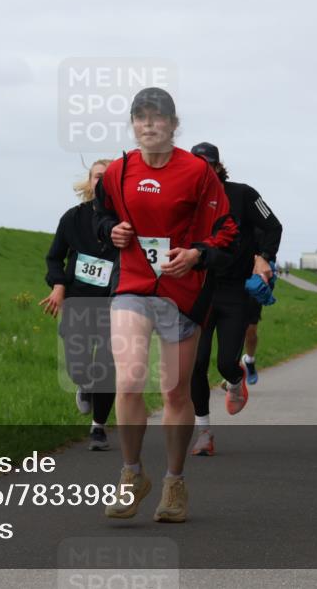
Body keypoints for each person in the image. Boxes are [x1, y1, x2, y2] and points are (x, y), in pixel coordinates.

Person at [93, 87, 238, 523]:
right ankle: (131, 474)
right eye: (141, 117)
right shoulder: (118, 171)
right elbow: (99, 216)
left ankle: (174, 482)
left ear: (174, 125)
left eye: (158, 117)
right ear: (133, 124)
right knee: (130, 375)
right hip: (133, 285)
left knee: (174, 389)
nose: (149, 124)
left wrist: (197, 255)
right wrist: (110, 232)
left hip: (183, 291)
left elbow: (226, 232)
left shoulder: (197, 173)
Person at [188, 142, 283, 457]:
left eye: (208, 164)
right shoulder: (183, 200)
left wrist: (263, 257)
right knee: (196, 364)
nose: (203, 170)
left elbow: (273, 225)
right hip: (198, 290)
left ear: (217, 167)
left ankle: (235, 376)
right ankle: (204, 433)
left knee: (226, 361)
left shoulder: (243, 194)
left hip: (234, 291)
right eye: (196, 164)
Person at [41, 159, 117, 450]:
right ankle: (84, 385)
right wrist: (58, 285)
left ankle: (98, 427)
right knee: (79, 368)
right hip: (78, 300)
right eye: (98, 176)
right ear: (89, 181)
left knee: (107, 365)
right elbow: (54, 257)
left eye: (108, 177)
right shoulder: (73, 218)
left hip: (114, 304)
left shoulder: (126, 221)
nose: (102, 181)